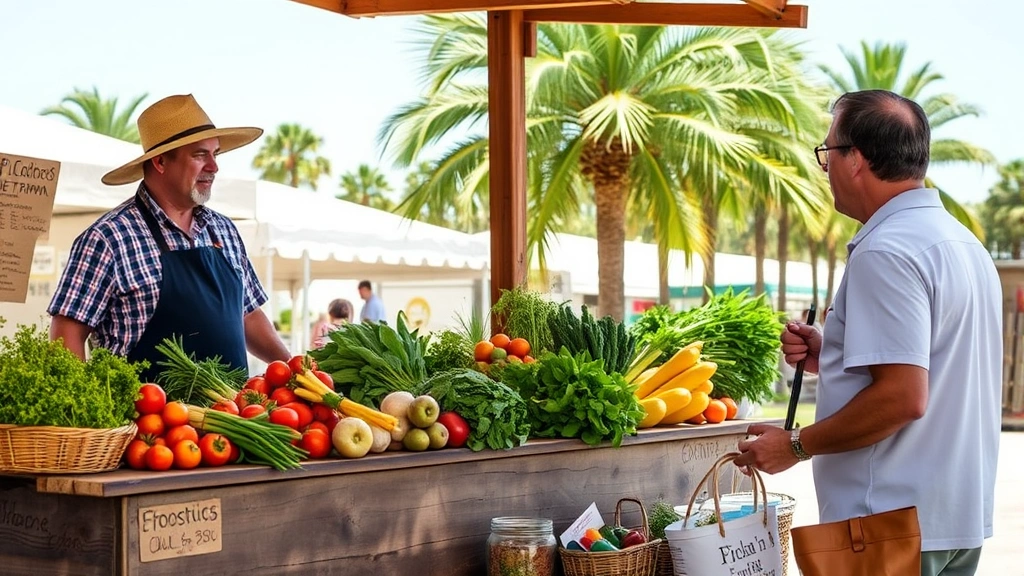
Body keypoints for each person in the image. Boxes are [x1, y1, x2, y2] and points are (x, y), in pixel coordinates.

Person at [734, 90, 1002, 575]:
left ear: (854, 159)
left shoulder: (887, 251)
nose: (825, 168)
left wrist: (794, 444)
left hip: (887, 527)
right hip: (954, 521)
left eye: (827, 152)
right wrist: (833, 352)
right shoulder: (964, 246)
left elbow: (902, 397)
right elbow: (938, 366)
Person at [47, 94, 290, 381]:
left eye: (216, 154)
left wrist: (294, 368)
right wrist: (86, 407)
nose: (214, 166)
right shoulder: (108, 238)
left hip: (235, 420)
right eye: (200, 155)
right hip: (145, 422)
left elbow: (248, 315)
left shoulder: (224, 231)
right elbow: (67, 333)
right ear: (161, 161)